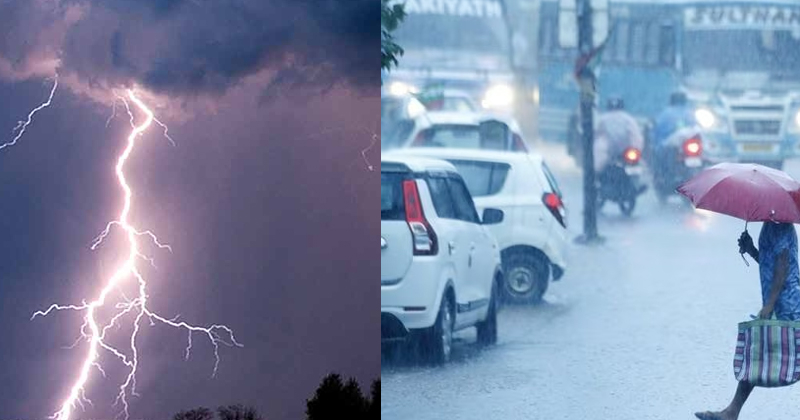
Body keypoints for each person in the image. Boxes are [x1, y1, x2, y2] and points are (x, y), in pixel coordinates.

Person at [695, 222, 800, 420]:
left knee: (766, 354)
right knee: (760, 355)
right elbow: (771, 263)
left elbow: (783, 267)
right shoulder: (771, 224)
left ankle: (731, 412)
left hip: (788, 305)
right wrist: (751, 250)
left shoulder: (782, 226)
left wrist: (770, 304)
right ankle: (731, 412)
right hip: (777, 302)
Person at [593, 97, 643, 171]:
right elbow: (636, 137)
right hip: (626, 154)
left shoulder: (602, 119)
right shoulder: (629, 119)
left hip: (608, 156)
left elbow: (596, 136)